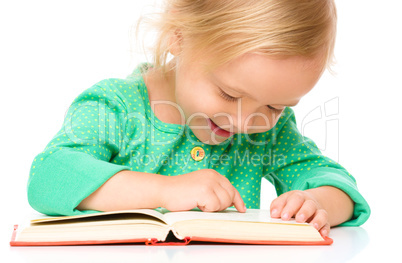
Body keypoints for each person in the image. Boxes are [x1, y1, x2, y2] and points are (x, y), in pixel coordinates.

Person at [27, 0, 370, 237]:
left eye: (274, 107)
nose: (244, 121)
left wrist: (317, 202)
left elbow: (336, 183)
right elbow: (49, 176)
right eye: (229, 94)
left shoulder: (267, 134)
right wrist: (164, 191)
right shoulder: (114, 107)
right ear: (178, 35)